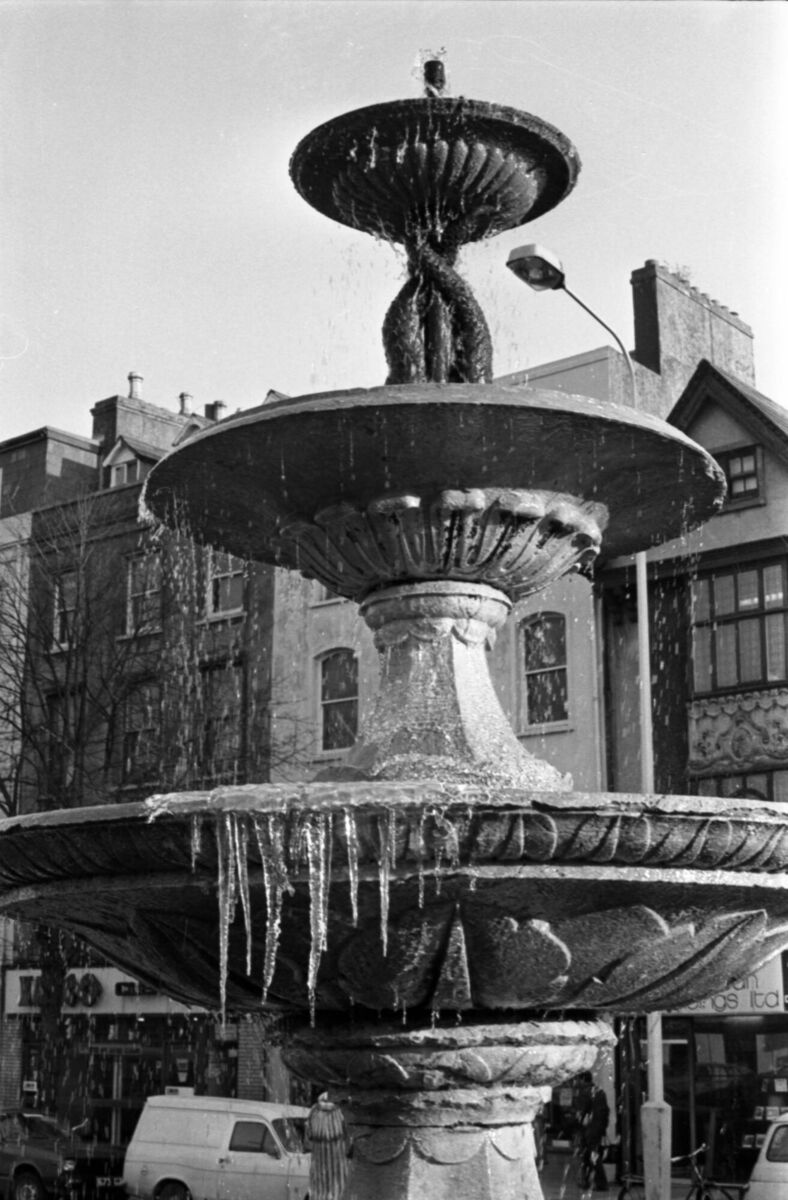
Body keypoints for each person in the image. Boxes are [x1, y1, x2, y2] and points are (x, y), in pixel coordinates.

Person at [305, 1092, 352, 1200]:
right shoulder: (343, 1112)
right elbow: (350, 1143)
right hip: (339, 1178)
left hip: (318, 1180)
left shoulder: (314, 1111)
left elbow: (307, 1141)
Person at [577, 1075, 610, 1191]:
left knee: (591, 1155)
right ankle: (587, 1180)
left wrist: (581, 1124)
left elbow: (582, 1111)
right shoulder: (600, 1091)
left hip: (590, 1129)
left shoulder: (585, 1092)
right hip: (598, 1129)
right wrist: (603, 1129)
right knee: (590, 1155)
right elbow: (606, 1111)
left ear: (582, 1080)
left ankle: (601, 1182)